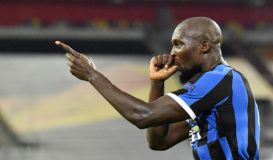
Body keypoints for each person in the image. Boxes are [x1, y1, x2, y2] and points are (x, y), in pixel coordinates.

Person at [55, 17, 260, 160]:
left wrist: (92, 75)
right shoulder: (211, 90)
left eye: (178, 44)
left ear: (204, 46)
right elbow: (159, 141)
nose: (172, 53)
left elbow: (142, 115)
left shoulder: (220, 79)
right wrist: (157, 83)